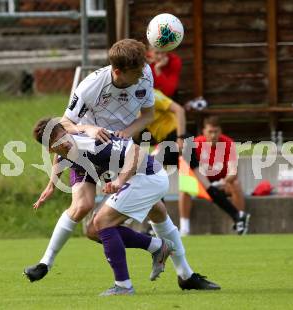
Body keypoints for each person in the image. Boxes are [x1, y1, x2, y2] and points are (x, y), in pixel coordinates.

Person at [24, 39, 218, 291]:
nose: (142, 77)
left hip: (117, 149)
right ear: (117, 71)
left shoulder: (144, 73)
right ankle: (45, 263)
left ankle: (180, 273)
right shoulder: (90, 87)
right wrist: (89, 129)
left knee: (148, 212)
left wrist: (124, 135)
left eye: (142, 71)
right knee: (83, 208)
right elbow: (62, 128)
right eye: (135, 74)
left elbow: (147, 116)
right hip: (91, 143)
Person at [26, 117, 221, 295]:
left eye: (64, 136)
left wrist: (119, 180)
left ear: (67, 131)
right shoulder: (64, 150)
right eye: (58, 143)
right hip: (143, 178)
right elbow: (59, 159)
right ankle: (168, 257)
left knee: (101, 223)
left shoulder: (89, 142)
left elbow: (135, 151)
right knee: (96, 230)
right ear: (51, 148)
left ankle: (124, 285)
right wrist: (51, 185)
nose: (64, 142)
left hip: (147, 177)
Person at [179, 116, 250, 236]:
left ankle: (240, 221)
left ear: (220, 131)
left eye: (216, 131)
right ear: (204, 132)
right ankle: (184, 228)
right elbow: (187, 171)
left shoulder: (228, 143)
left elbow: (233, 171)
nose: (213, 135)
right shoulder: (195, 144)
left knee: (236, 184)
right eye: (210, 131)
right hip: (202, 184)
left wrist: (222, 182)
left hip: (222, 183)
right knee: (185, 188)